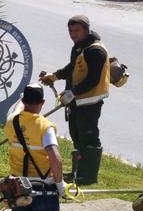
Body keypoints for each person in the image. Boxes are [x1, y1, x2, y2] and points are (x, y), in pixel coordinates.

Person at [40, 14, 109, 185]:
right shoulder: (79, 47)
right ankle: (78, 172)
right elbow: (73, 67)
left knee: (89, 137)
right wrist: (55, 76)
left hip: (90, 103)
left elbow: (93, 79)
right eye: (70, 31)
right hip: (76, 102)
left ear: (86, 30)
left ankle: (89, 176)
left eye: (77, 30)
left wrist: (72, 93)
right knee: (76, 135)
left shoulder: (96, 51)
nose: (73, 34)